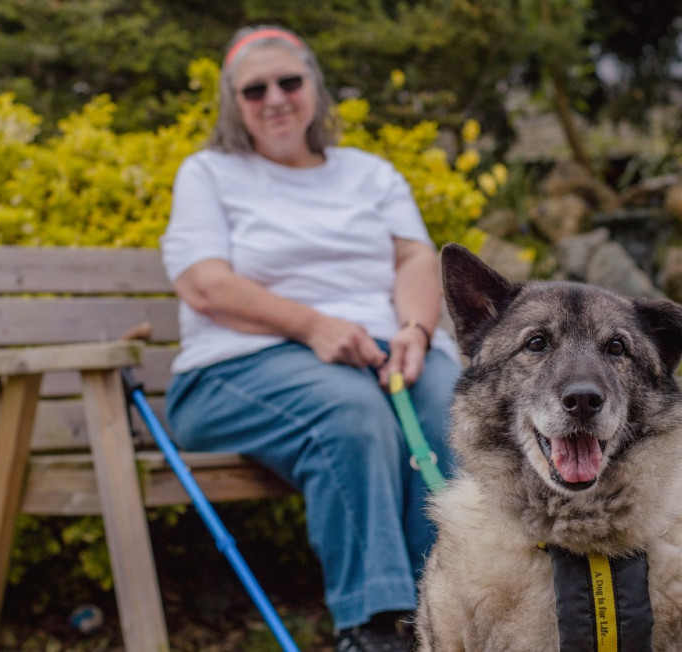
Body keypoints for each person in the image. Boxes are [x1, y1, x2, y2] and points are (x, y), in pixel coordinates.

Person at [160, 25, 461, 652]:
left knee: (458, 407)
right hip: (238, 366)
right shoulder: (209, 174)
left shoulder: (368, 174)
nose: (275, 98)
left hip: (382, 351)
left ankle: (451, 616)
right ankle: (376, 627)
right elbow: (206, 285)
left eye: (289, 82)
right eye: (254, 89)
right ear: (233, 103)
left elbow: (414, 259)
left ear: (314, 90)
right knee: (348, 415)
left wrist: (415, 330)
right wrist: (313, 326)